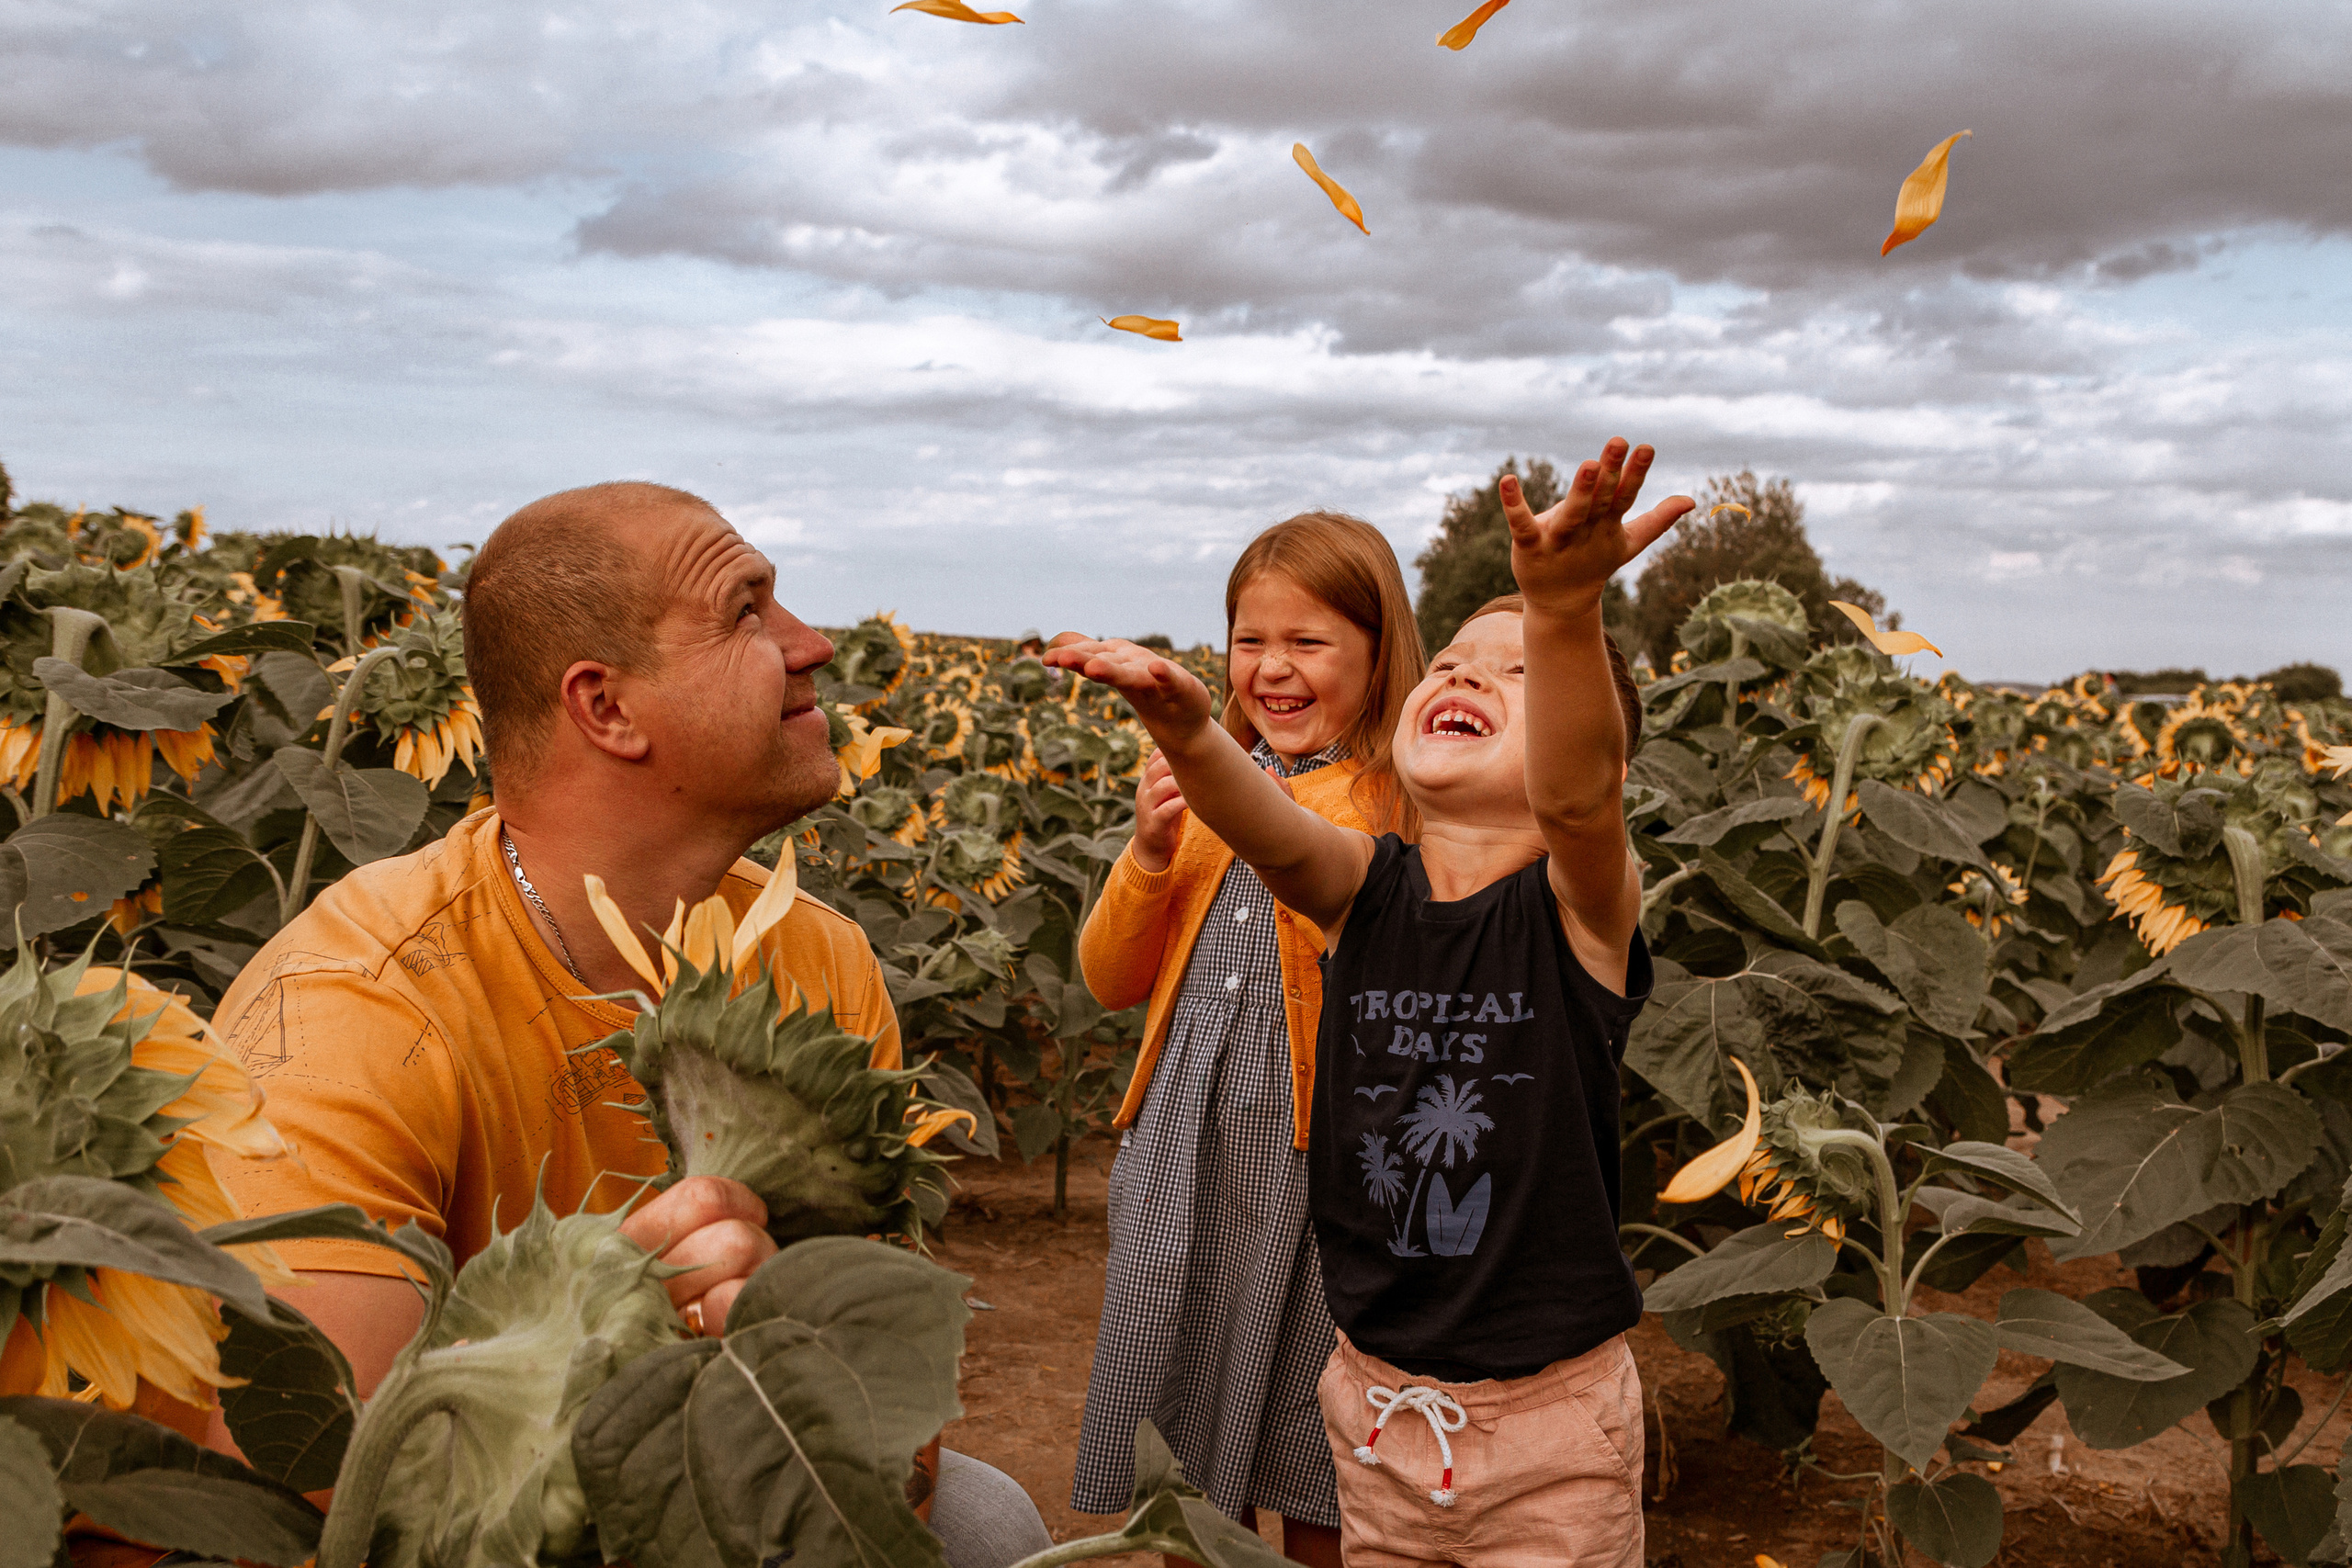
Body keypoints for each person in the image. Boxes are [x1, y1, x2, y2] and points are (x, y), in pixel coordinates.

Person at [206, 480, 1049, 1563]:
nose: (812, 644)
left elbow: (899, 1452)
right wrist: (617, 1341)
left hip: (714, 1495)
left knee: (990, 1524)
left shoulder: (815, 959)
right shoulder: (357, 1007)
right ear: (605, 708)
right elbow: (316, 1494)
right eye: (747, 612)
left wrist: (782, 1380)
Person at [1048, 438, 1685, 1567]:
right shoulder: (1363, 890)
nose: (1470, 675)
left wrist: (1565, 611)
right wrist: (1192, 730)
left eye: (1519, 672)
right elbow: (1271, 829)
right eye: (1453, 661)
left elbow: (1579, 797)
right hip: (1376, 1407)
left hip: (1544, 1432)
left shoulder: (1578, 910)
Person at [1068, 513, 1425, 1566]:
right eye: (1248, 640)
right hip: (1186, 1141)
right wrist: (1145, 853)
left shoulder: (1398, 801)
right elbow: (1107, 978)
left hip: (1326, 1162)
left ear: (1378, 651)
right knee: (1182, 1440)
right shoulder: (1198, 793)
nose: (1272, 668)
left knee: (1317, 1435)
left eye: (1308, 643)